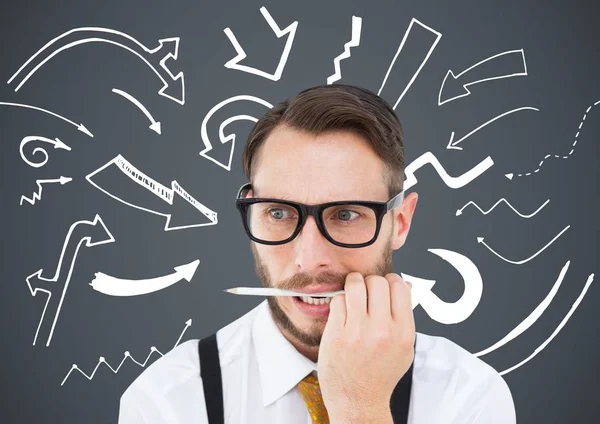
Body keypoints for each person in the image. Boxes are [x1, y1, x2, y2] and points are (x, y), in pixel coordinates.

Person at [118, 84, 516, 423]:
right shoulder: (168, 402)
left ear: (400, 222)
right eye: (278, 213)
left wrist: (361, 408)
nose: (309, 259)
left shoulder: (468, 396)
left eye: (345, 214)